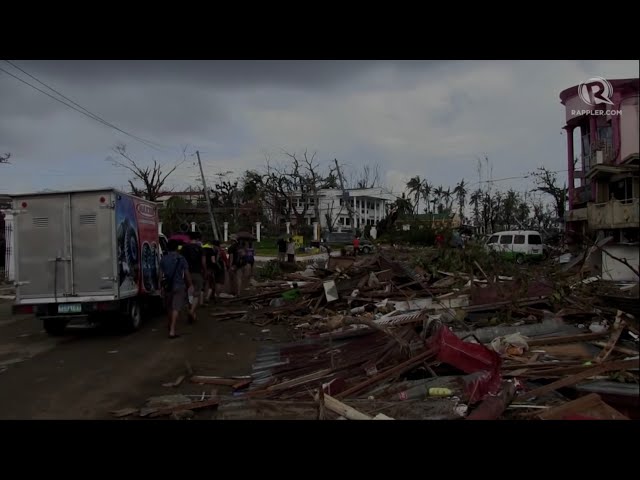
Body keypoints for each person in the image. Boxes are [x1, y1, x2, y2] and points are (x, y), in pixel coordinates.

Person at [160, 239, 191, 339]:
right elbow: (186, 273)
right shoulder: (181, 258)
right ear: (177, 248)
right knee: (176, 308)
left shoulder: (163, 259)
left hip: (167, 287)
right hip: (179, 285)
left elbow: (160, 275)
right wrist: (190, 285)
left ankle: (170, 325)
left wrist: (160, 287)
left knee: (169, 307)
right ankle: (172, 330)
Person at [180, 231, 206, 322]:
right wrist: (205, 271)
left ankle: (190, 311)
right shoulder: (200, 248)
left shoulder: (184, 248)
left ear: (189, 238)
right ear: (198, 238)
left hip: (186, 273)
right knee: (196, 293)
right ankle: (191, 311)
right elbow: (203, 262)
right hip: (197, 273)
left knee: (188, 293)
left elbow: (180, 261)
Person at [202, 239, 217, 305]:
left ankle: (201, 301)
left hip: (202, 269)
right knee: (211, 284)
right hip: (210, 269)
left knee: (203, 284)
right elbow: (213, 261)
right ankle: (207, 298)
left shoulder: (201, 250)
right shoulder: (211, 251)